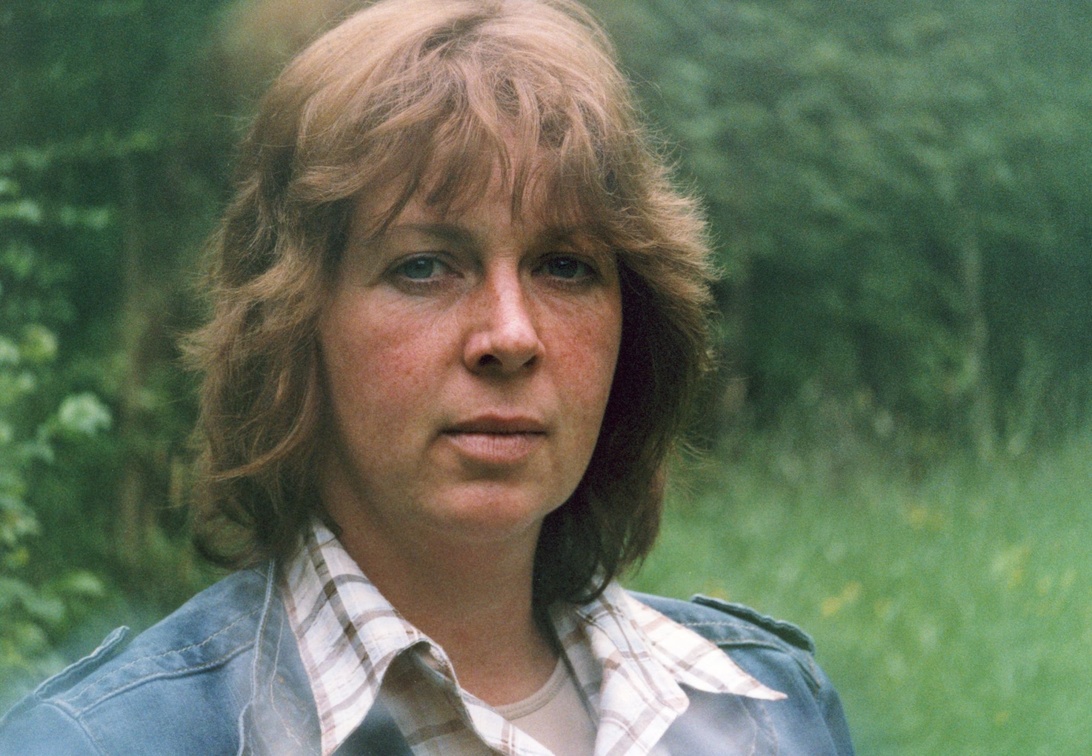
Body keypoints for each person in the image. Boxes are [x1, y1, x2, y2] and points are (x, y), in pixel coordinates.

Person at [0, 0, 853, 753]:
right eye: (424, 266)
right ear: (293, 324)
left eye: (564, 266)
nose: (510, 336)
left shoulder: (773, 711)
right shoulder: (100, 744)